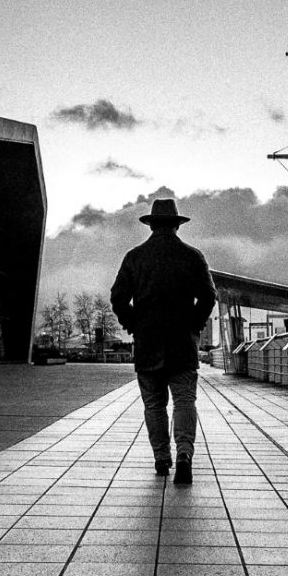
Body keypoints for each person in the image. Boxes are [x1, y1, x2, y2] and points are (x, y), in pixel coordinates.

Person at [109, 197, 216, 486]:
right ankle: (184, 456)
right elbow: (209, 297)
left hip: (148, 343)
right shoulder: (193, 256)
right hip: (182, 342)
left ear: (152, 224)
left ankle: (161, 458)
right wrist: (193, 327)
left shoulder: (134, 257)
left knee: (154, 405)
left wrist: (134, 325)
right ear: (176, 226)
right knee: (184, 401)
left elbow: (118, 297)